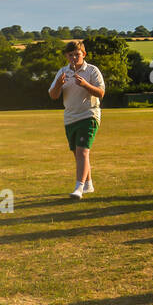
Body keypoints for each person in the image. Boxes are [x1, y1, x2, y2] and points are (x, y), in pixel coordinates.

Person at [47, 39, 105, 199]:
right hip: (70, 118)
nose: (74, 58)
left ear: (84, 54)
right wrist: (58, 84)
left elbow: (101, 93)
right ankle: (88, 184)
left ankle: (78, 188)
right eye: (70, 55)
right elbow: (53, 95)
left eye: (77, 55)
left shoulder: (92, 71)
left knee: (82, 151)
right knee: (78, 153)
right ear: (66, 56)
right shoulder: (62, 72)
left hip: (89, 115)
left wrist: (86, 85)